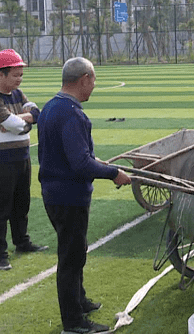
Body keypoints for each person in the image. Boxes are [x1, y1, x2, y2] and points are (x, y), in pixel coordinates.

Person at [37, 57, 132, 334]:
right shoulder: (71, 114)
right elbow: (79, 164)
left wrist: (98, 162)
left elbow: (73, 155)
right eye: (93, 81)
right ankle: (74, 322)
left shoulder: (53, 107)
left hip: (55, 192)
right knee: (71, 257)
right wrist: (113, 173)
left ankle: (79, 300)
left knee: (76, 251)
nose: (94, 86)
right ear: (84, 80)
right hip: (68, 196)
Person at [0, 49, 49, 271]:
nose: (20, 79)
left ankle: (22, 242)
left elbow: (37, 114)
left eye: (21, 75)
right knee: (1, 208)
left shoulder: (18, 94)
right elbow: (19, 125)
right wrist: (25, 122)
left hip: (22, 157)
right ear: (1, 74)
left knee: (22, 203)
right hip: (1, 161)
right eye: (16, 75)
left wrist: (21, 120)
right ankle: (0, 254)